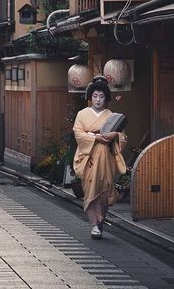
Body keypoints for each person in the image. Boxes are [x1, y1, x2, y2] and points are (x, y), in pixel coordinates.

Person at [73, 76, 127, 239]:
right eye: (95, 96)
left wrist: (114, 135)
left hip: (106, 159)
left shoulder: (111, 116)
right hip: (88, 158)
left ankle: (100, 220)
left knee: (104, 189)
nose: (98, 100)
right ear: (90, 97)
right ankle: (94, 224)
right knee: (91, 190)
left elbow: (122, 137)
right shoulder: (82, 114)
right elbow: (78, 133)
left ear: (106, 98)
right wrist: (95, 138)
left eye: (101, 96)